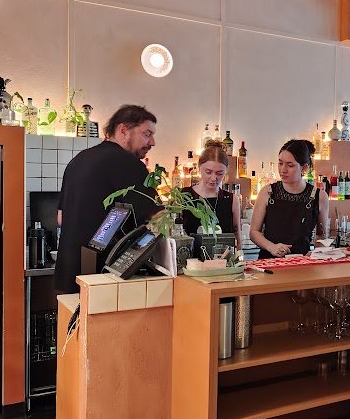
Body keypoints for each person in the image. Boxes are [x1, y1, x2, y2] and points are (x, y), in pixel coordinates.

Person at [55, 105, 160, 294]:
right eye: (147, 134)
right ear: (123, 130)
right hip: (103, 278)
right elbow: (156, 220)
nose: (152, 142)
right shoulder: (130, 165)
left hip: (68, 274)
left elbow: (61, 218)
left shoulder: (79, 160)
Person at [250, 139, 329, 259]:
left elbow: (321, 235)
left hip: (302, 262)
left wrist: (317, 253)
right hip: (269, 261)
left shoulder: (319, 196)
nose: (283, 169)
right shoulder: (267, 192)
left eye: (290, 165)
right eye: (280, 163)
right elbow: (254, 232)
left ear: (304, 168)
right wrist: (271, 247)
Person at [181, 141, 241, 248]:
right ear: (199, 167)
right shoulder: (184, 196)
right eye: (208, 172)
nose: (213, 178)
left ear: (226, 171)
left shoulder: (231, 199)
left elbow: (237, 238)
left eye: (219, 173)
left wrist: (239, 255)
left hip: (224, 257)